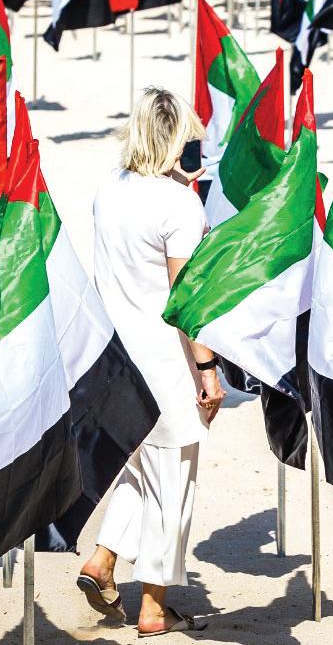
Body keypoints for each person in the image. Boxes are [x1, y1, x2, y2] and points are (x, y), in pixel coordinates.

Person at [77, 88, 223, 637]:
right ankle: (154, 607)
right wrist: (207, 371)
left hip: (115, 357)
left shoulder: (109, 189)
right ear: (179, 143)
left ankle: (103, 558)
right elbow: (186, 299)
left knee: (140, 468)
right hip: (165, 361)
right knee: (173, 485)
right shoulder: (179, 205)